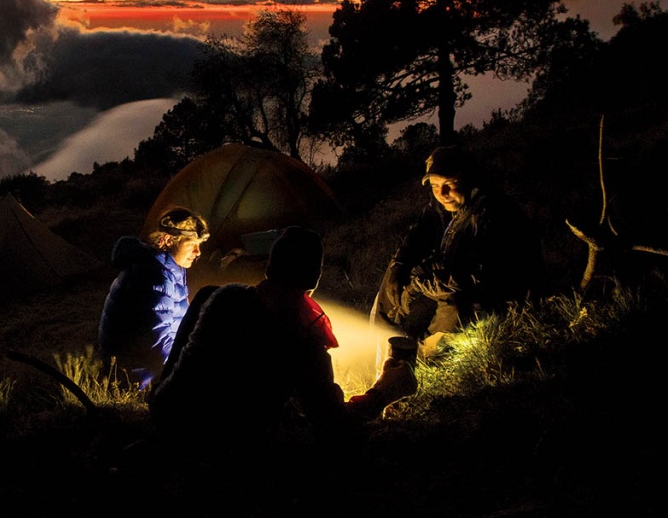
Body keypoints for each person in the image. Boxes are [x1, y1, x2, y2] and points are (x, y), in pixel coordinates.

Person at [149, 226, 417, 457]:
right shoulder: (303, 341)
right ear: (314, 279)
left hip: (166, 420)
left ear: (269, 267)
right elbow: (335, 424)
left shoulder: (213, 296)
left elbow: (175, 369)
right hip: (222, 450)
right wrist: (383, 392)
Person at [371, 145, 548, 358]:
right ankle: (379, 349)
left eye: (449, 184)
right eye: (435, 185)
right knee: (395, 276)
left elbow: (472, 278)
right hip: (458, 280)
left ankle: (420, 360)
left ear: (468, 178)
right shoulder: (445, 206)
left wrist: (418, 285)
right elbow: (417, 238)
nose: (441, 193)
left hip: (497, 299)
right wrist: (400, 267)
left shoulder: (490, 214)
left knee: (455, 311)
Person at [98, 207, 210, 390]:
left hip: (148, 367)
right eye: (192, 245)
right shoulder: (154, 275)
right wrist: (192, 359)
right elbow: (156, 345)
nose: (198, 252)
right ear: (168, 241)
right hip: (138, 377)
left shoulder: (168, 269)